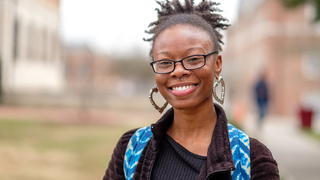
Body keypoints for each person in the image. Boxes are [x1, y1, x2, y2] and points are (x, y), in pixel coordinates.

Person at [103, 0, 279, 179]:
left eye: (194, 59)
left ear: (217, 64)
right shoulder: (132, 148)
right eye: (165, 62)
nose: (178, 71)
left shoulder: (252, 159)